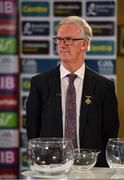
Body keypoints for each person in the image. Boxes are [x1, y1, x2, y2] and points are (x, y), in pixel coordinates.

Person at [26, 16, 119, 167]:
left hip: (92, 170)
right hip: (50, 168)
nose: (62, 45)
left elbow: (110, 135)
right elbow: (33, 133)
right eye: (59, 39)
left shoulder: (104, 86)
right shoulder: (39, 83)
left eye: (68, 39)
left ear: (85, 43)